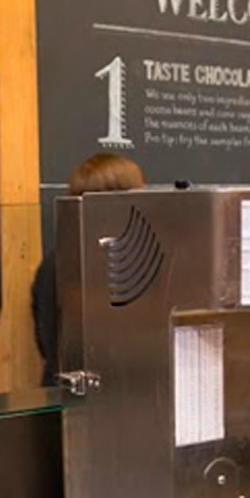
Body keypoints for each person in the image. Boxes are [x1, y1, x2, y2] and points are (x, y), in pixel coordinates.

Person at [32, 153, 146, 386]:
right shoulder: (128, 264)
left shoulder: (57, 260)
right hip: (109, 397)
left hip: (67, 393)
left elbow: (47, 342)